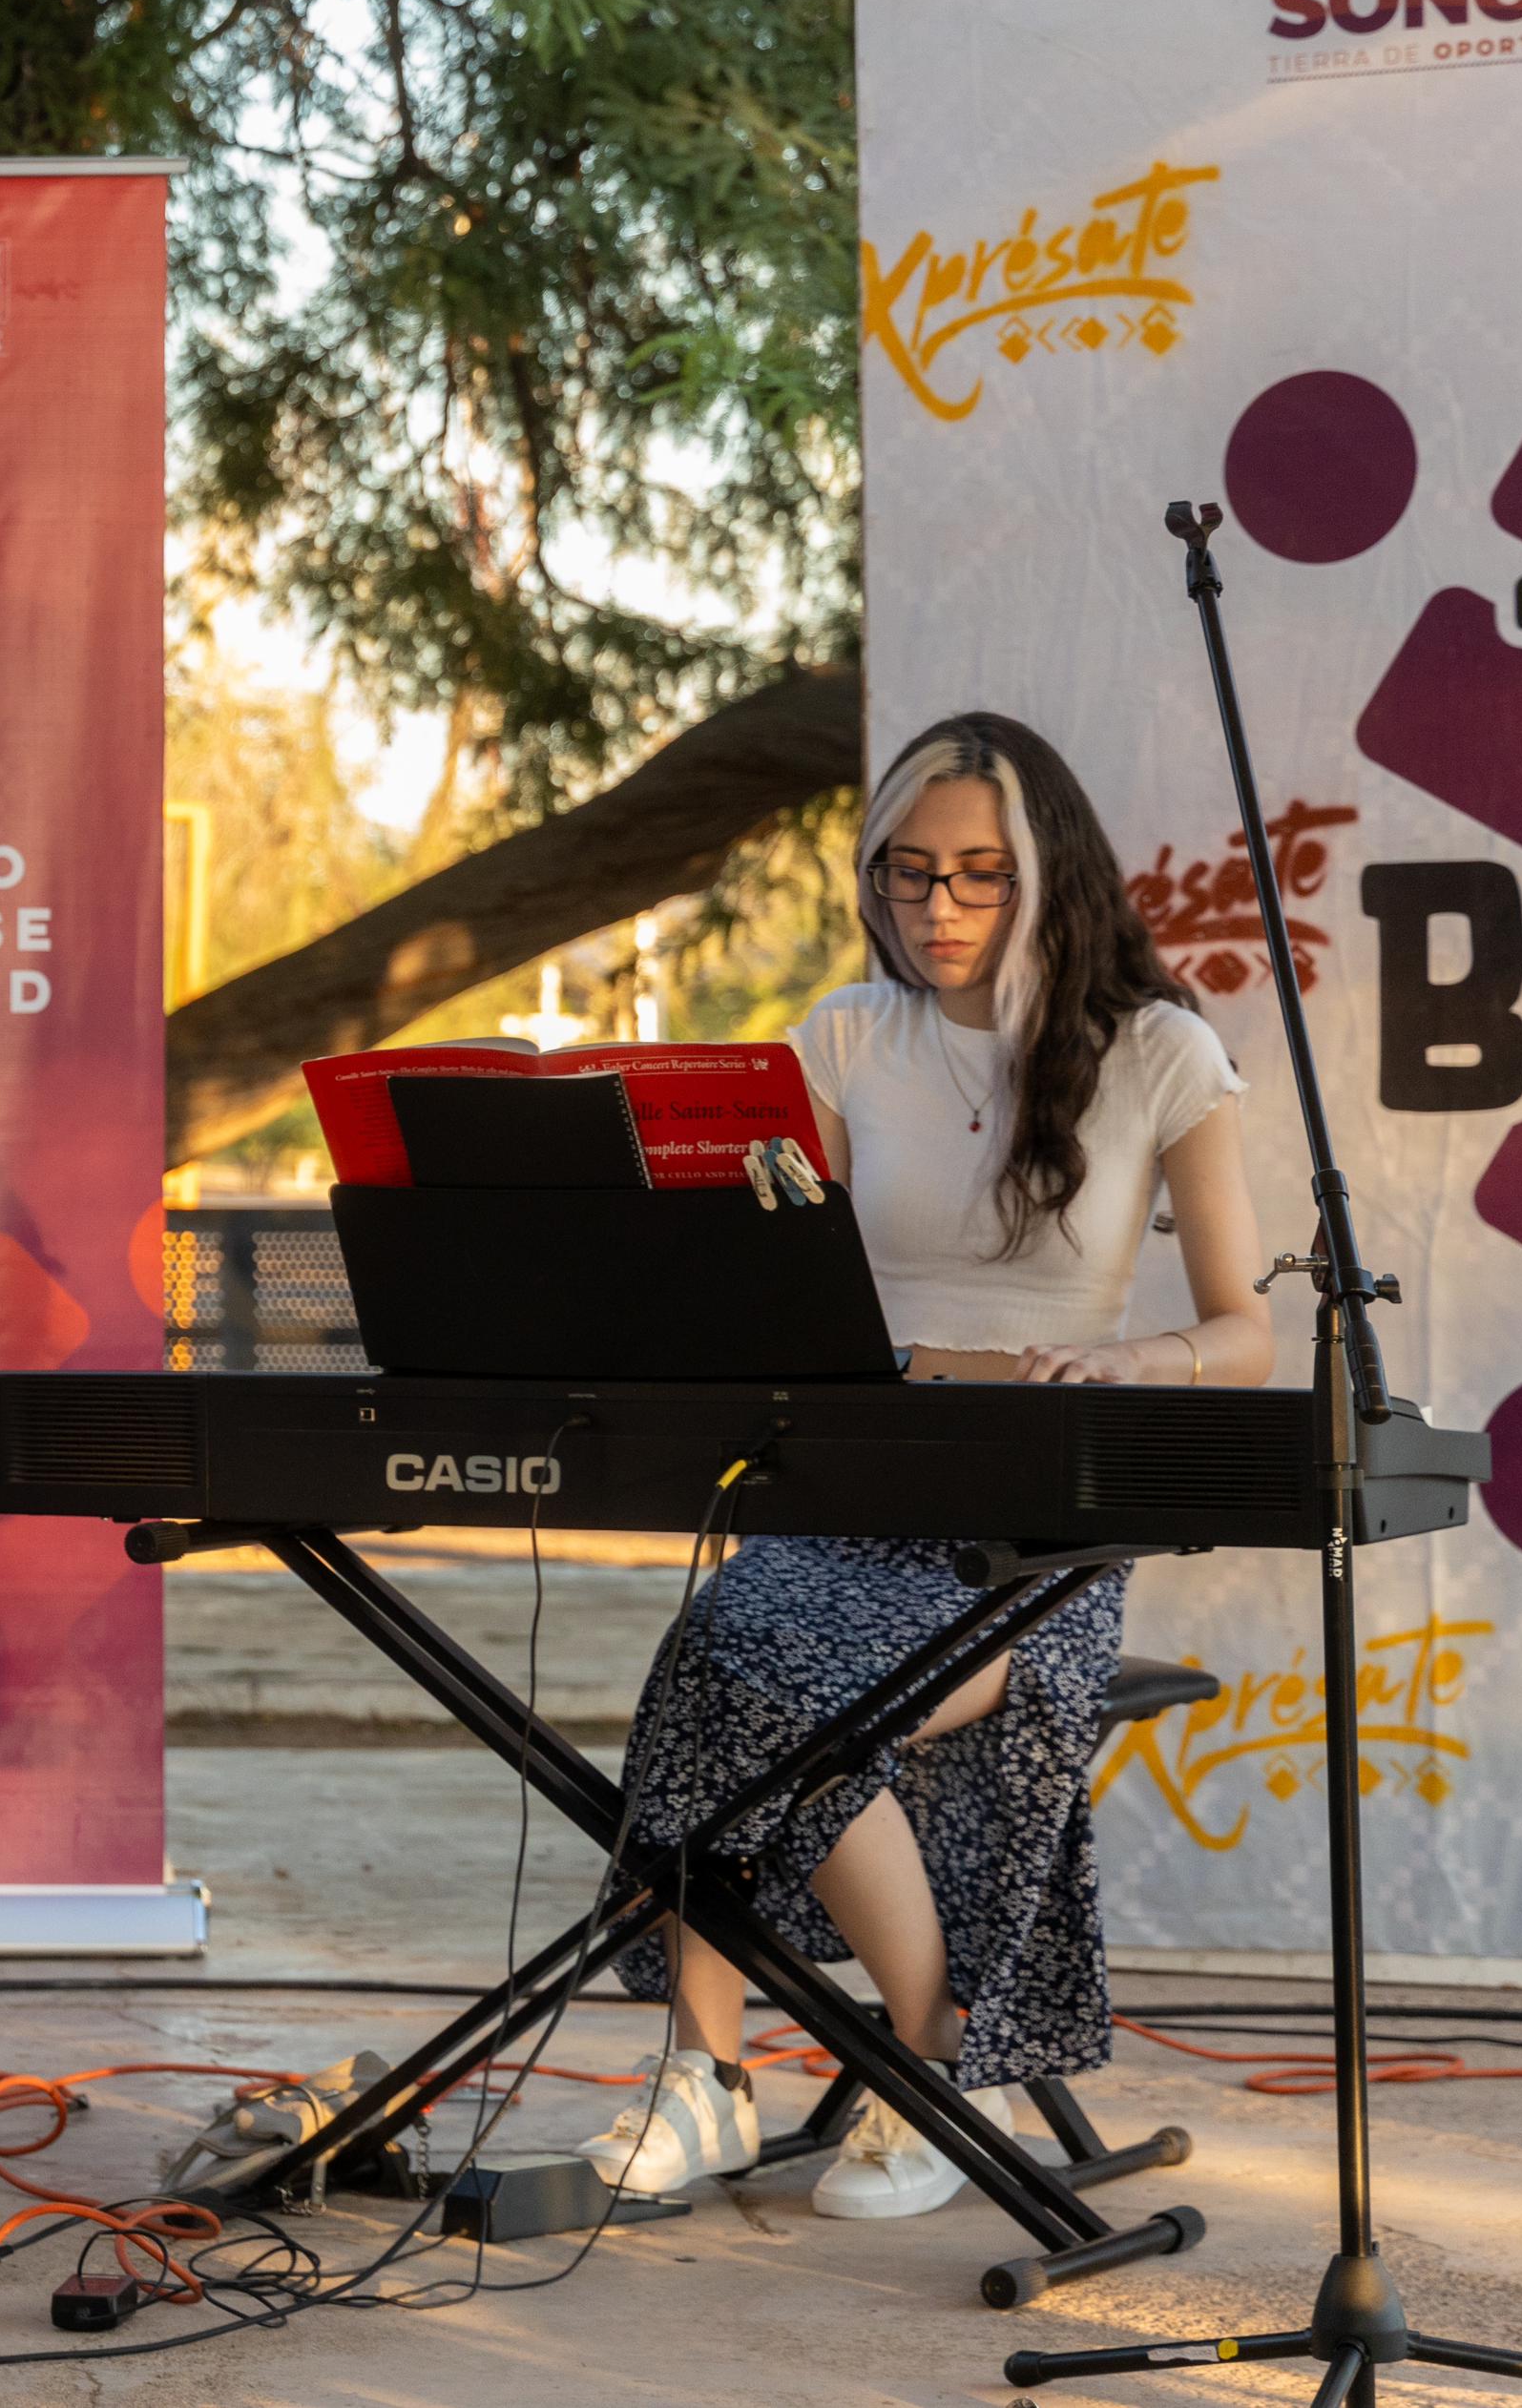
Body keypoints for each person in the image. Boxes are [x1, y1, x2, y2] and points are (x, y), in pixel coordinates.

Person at [577, 711, 1271, 2221]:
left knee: (788, 1691)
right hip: (849, 1488)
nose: (935, 905)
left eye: (976, 874)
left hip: (1032, 1523)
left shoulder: (1160, 1050)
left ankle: (932, 2056)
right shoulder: (844, 1037)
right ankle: (708, 2076)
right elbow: (783, 1285)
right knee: (721, 1657)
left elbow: (1247, 1328)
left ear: (1049, 872)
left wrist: (1133, 1358)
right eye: (906, 871)